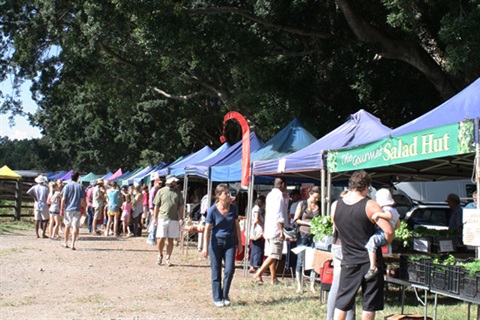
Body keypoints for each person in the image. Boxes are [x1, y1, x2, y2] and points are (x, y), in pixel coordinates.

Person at [331, 170, 393, 320]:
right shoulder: (370, 205)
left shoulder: (335, 205)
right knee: (369, 304)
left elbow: (337, 228)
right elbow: (388, 232)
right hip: (370, 262)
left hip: (348, 259)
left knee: (342, 303)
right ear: (366, 187)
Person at [202, 184, 243, 307]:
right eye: (225, 193)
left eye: (228, 193)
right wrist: (205, 246)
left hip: (230, 242)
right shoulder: (212, 210)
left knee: (230, 270)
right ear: (218, 196)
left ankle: (225, 295)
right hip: (216, 242)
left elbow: (237, 226)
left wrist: (239, 243)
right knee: (216, 270)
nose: (228, 195)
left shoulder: (233, 208)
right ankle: (217, 297)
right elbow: (207, 229)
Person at [253, 177, 288, 285]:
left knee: (271, 254)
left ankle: (274, 278)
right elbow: (279, 214)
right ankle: (258, 273)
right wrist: (281, 229)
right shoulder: (279, 196)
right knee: (275, 255)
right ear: (282, 185)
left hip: (269, 228)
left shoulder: (270, 195)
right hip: (275, 229)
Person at [327, 190, 355, 320]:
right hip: (346, 246)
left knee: (338, 284)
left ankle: (331, 316)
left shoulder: (335, 205)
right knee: (347, 284)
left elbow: (335, 224)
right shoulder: (350, 205)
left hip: (337, 244)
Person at [364, 188, 400, 281]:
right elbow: (398, 223)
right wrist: (393, 228)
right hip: (388, 233)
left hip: (382, 232)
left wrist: (378, 215)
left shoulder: (386, 209)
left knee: (371, 244)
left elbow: (389, 216)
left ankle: (372, 267)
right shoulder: (394, 209)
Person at [293, 186, 321, 294]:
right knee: (300, 260)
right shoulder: (302, 204)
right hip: (303, 234)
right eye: (315, 197)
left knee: (314, 261)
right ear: (310, 194)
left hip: (314, 236)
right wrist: (307, 223)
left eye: (318, 198)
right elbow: (296, 219)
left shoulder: (319, 206)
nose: (316, 200)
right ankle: (300, 286)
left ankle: (312, 285)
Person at [152, 175, 184, 267]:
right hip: (162, 217)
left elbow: (181, 206)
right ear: (169, 182)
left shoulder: (178, 193)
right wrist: (155, 218)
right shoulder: (161, 191)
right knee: (161, 237)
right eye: (174, 181)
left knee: (171, 239)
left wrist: (181, 218)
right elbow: (156, 206)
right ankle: (160, 254)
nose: (175, 183)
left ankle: (168, 258)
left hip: (174, 218)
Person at [60, 172, 87, 250]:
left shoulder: (67, 186)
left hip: (68, 209)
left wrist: (62, 209)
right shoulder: (80, 187)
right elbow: (83, 200)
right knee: (75, 226)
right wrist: (84, 209)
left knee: (67, 225)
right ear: (77, 178)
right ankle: (73, 244)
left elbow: (63, 199)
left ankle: (65, 242)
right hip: (77, 209)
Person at [249, 195, 266, 274]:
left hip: (256, 230)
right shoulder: (257, 209)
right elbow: (256, 219)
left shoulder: (256, 208)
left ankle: (252, 265)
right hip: (257, 231)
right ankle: (256, 265)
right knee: (258, 248)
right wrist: (262, 224)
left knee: (254, 248)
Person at [146, 178, 163, 245]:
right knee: (154, 223)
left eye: (161, 183)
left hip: (156, 209)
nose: (160, 185)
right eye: (159, 183)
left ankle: (151, 237)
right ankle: (151, 238)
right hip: (154, 209)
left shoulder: (157, 190)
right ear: (155, 183)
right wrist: (151, 209)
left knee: (154, 223)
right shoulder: (154, 190)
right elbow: (151, 200)